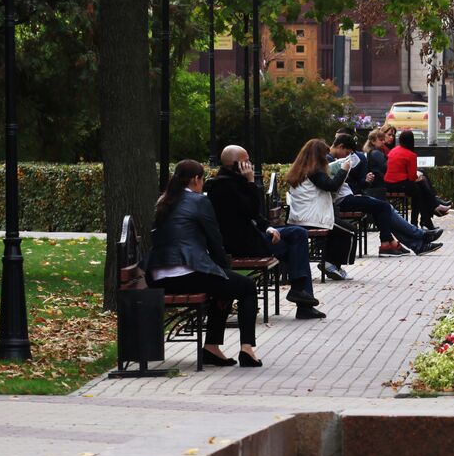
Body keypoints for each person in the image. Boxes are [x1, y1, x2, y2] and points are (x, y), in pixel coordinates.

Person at [146, 160, 262, 368]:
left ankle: (211, 348)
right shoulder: (199, 202)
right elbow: (214, 240)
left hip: (158, 277)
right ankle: (247, 349)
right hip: (186, 273)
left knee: (223, 287)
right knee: (246, 287)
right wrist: (224, 270)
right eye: (202, 180)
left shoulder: (164, 201)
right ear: (196, 180)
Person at [203, 146, 323, 320]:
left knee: (298, 233)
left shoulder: (236, 180)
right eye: (246, 161)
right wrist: (251, 182)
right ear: (235, 164)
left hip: (253, 236)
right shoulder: (221, 186)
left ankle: (299, 292)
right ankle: (302, 298)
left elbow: (255, 215)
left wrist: (268, 227)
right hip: (242, 244)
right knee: (294, 247)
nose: (250, 164)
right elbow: (251, 208)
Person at [329, 132, 443, 255]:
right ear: (340, 146)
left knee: (385, 208)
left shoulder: (334, 159)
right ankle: (415, 238)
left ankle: (415, 244)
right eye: (346, 153)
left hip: (348, 196)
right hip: (343, 200)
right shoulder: (329, 160)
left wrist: (364, 182)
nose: (346, 156)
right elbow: (333, 185)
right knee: (385, 207)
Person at [286, 138, 356, 281]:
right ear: (318, 155)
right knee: (350, 231)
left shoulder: (300, 169)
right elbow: (331, 186)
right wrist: (343, 170)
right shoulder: (314, 171)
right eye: (324, 156)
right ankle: (331, 264)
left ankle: (331, 263)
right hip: (313, 218)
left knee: (339, 230)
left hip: (300, 216)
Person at [385, 129, 452, 230]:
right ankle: (424, 216)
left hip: (388, 183)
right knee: (419, 189)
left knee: (421, 184)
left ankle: (429, 214)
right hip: (399, 184)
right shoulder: (411, 155)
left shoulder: (394, 151)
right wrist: (419, 176)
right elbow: (412, 177)